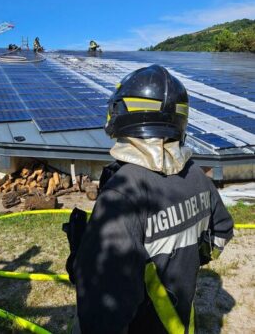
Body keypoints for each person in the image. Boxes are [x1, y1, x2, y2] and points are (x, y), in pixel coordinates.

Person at [69, 64, 234, 334]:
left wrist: (83, 263)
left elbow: (105, 305)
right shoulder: (197, 176)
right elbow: (222, 231)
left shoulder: (124, 191)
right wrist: (188, 259)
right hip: (180, 323)